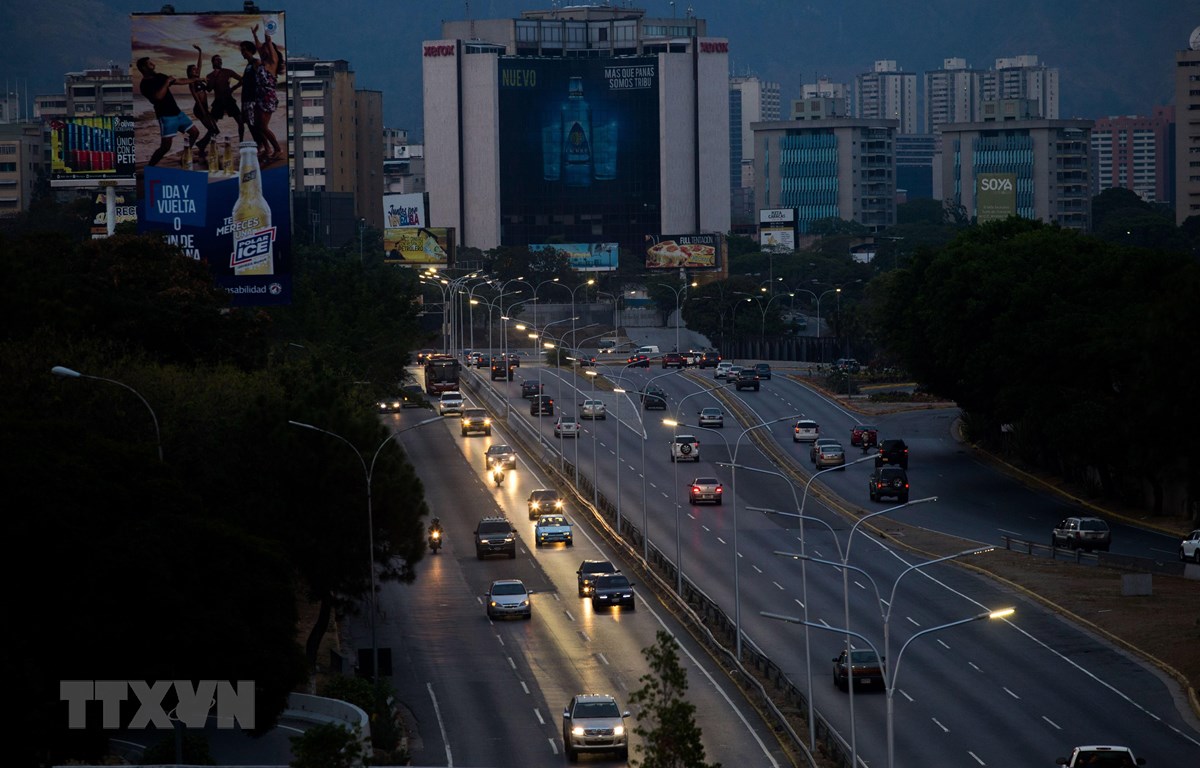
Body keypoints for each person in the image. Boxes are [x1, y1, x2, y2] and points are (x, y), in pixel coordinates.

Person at [136, 56, 200, 167]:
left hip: (178, 113)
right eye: (149, 63)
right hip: (166, 117)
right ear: (143, 67)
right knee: (165, 147)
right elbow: (158, 97)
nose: (152, 63)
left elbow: (179, 81)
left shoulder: (160, 76)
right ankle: (150, 168)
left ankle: (185, 156)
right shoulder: (144, 85)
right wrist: (166, 83)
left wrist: (195, 79)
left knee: (195, 133)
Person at [248, 24, 283, 162]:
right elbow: (259, 46)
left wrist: (266, 27)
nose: (263, 50)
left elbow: (267, 42)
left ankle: (278, 149)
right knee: (257, 125)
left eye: (266, 49)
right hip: (259, 96)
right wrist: (254, 35)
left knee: (263, 126)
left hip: (268, 97)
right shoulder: (262, 62)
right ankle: (267, 148)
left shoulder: (273, 62)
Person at [203, 50, 245, 141]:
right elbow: (209, 89)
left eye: (221, 60)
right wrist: (205, 82)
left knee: (240, 122)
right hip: (218, 101)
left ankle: (241, 142)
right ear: (213, 62)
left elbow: (242, 79)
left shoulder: (228, 71)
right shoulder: (209, 75)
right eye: (217, 60)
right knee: (212, 125)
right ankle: (207, 143)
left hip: (229, 99)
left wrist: (233, 88)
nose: (220, 61)